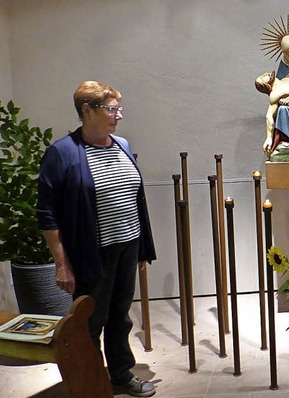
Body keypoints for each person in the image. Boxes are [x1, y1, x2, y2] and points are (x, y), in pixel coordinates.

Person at [37, 81, 157, 397]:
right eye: (112, 109)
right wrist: (62, 264)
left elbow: (135, 199)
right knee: (91, 319)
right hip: (92, 251)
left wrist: (141, 248)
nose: (118, 116)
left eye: (118, 109)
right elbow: (47, 214)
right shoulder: (61, 153)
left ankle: (119, 374)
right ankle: (88, 381)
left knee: (120, 315)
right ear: (86, 111)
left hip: (127, 244)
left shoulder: (122, 145)